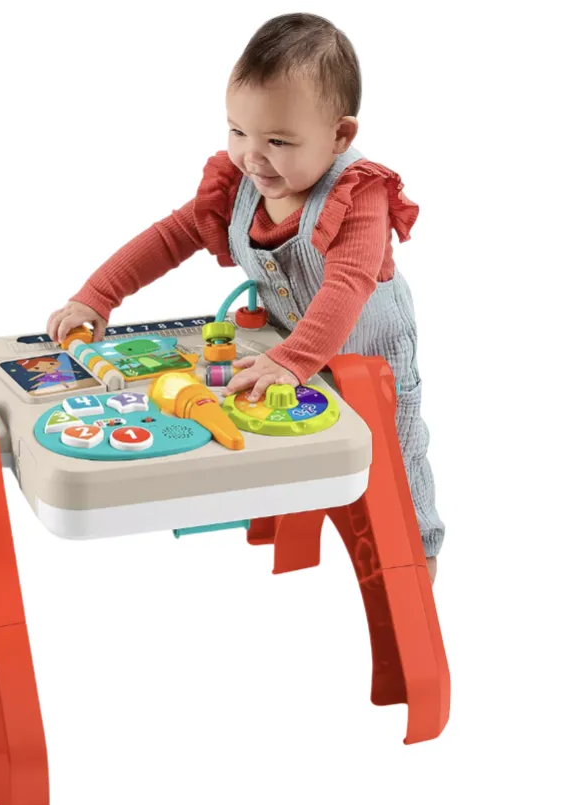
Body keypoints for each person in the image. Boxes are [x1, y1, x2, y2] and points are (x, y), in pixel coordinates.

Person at [46, 13, 443, 582]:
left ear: (340, 135)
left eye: (278, 141)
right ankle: (287, 522)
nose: (253, 157)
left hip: (370, 350)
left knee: (398, 448)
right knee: (270, 426)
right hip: (286, 341)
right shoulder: (241, 183)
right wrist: (97, 296)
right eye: (238, 132)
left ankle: (418, 555)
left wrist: (295, 360)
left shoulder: (360, 196)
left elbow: (347, 283)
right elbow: (169, 236)